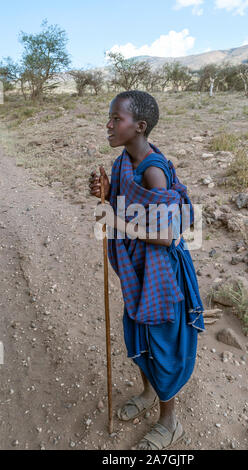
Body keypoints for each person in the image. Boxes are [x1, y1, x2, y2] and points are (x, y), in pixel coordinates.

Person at [89, 90, 205, 450]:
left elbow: (167, 234)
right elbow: (127, 206)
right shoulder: (126, 159)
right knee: (139, 332)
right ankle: (148, 391)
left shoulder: (153, 171)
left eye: (116, 119)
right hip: (139, 271)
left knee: (163, 343)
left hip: (161, 274)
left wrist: (116, 220)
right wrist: (108, 195)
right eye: (109, 118)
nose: (108, 125)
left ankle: (170, 423)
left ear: (139, 126)